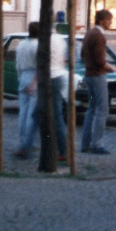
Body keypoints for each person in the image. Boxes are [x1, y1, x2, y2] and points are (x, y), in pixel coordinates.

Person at [80, 9, 115, 154]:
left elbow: (82, 54)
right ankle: (97, 144)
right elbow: (100, 60)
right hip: (98, 75)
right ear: (102, 20)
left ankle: (85, 143)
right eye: (109, 20)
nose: (110, 23)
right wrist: (110, 68)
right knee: (102, 109)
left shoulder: (89, 33)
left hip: (89, 74)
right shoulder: (99, 35)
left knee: (92, 108)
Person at [14, 22, 39, 158]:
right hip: (33, 76)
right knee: (32, 112)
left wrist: (20, 78)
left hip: (23, 75)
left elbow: (17, 64)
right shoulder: (37, 46)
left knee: (23, 112)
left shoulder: (21, 44)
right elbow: (39, 65)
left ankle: (22, 141)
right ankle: (28, 143)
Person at [49, 32, 68, 162]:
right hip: (60, 75)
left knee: (56, 116)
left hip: (51, 76)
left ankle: (63, 150)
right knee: (57, 115)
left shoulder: (47, 39)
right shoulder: (60, 39)